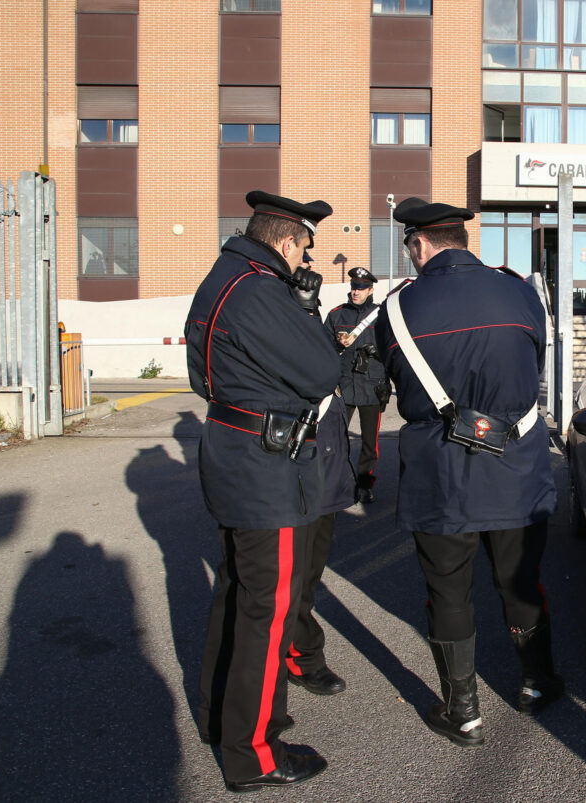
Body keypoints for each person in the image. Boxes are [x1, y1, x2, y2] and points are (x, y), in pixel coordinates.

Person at [375, 196, 561, 748]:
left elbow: (394, 382)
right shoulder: (520, 292)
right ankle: (538, 682)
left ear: (420, 243)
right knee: (521, 581)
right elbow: (535, 367)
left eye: (410, 246)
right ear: (461, 238)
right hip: (516, 467)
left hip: (441, 475)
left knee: (448, 592)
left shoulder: (398, 309)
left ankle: (464, 711)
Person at [185, 190, 337, 793]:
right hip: (265, 467)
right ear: (285, 238)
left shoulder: (223, 277)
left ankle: (223, 715)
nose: (305, 259)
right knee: (267, 610)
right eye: (304, 245)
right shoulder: (258, 288)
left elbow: (205, 374)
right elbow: (323, 371)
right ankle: (252, 752)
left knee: (236, 592)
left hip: (234, 452)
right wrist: (303, 312)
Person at [284, 249, 357, 698]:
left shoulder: (311, 320)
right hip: (296, 472)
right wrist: (300, 315)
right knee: (292, 577)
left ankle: (295, 647)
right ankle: (302, 655)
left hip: (326, 470)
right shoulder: (275, 316)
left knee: (309, 573)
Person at [324, 266, 390, 504]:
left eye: (361, 288)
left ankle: (365, 483)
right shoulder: (336, 315)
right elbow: (323, 350)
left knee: (369, 443)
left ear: (371, 289)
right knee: (336, 439)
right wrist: (338, 347)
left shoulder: (382, 315)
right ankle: (339, 481)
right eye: (353, 287)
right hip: (344, 386)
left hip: (372, 387)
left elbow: (394, 350)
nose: (356, 291)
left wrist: (377, 352)